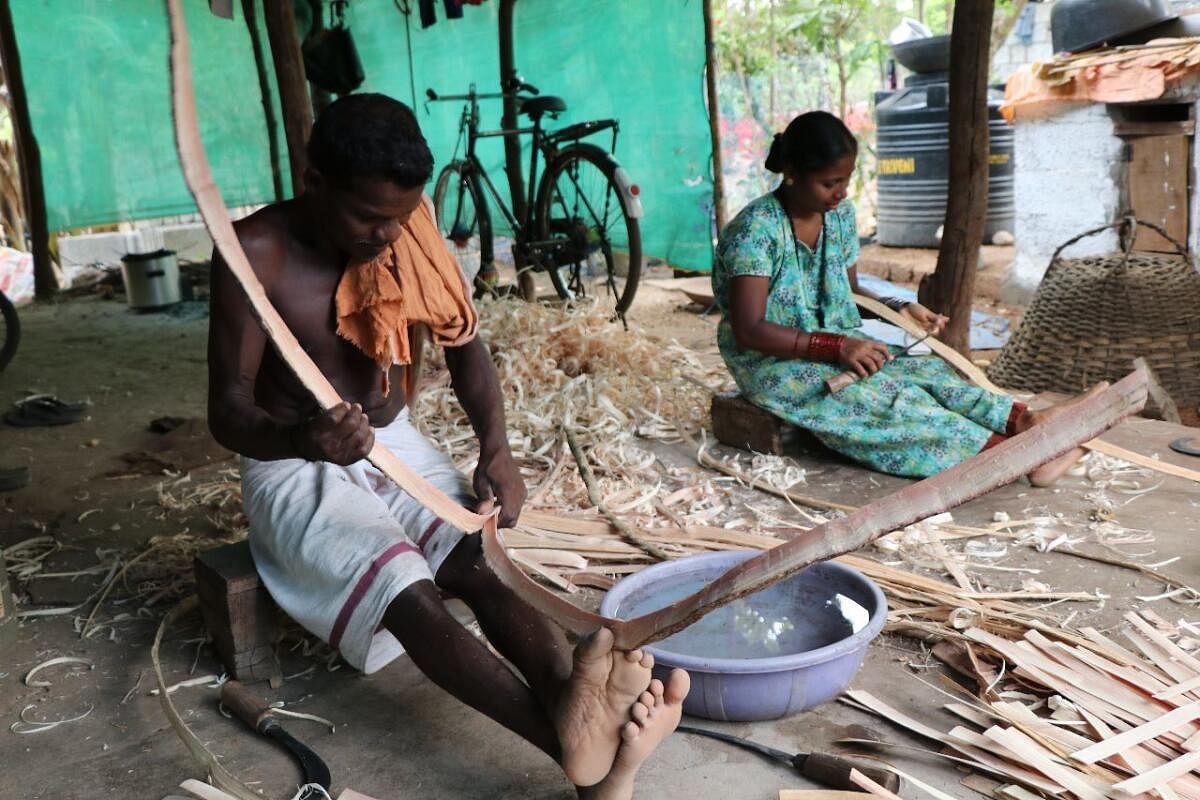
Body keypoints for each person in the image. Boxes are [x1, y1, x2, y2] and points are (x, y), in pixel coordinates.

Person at [207, 93, 688, 798]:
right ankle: (568, 740)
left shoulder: (411, 229)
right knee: (406, 586)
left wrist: (496, 449)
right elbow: (226, 412)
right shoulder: (256, 254)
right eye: (368, 217)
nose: (386, 235)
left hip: (391, 438)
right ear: (314, 184)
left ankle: (573, 700)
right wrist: (300, 435)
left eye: (399, 216)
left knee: (476, 558)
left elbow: (467, 347)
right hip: (293, 463)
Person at [712, 111, 1100, 484]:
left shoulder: (839, 216)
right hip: (773, 364)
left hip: (836, 345)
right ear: (793, 173)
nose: (841, 193)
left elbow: (847, 292)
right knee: (886, 404)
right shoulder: (755, 232)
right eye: (830, 182)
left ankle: (1025, 422)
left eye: (846, 180)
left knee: (926, 371)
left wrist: (900, 310)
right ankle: (1022, 459)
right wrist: (837, 346)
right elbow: (750, 330)